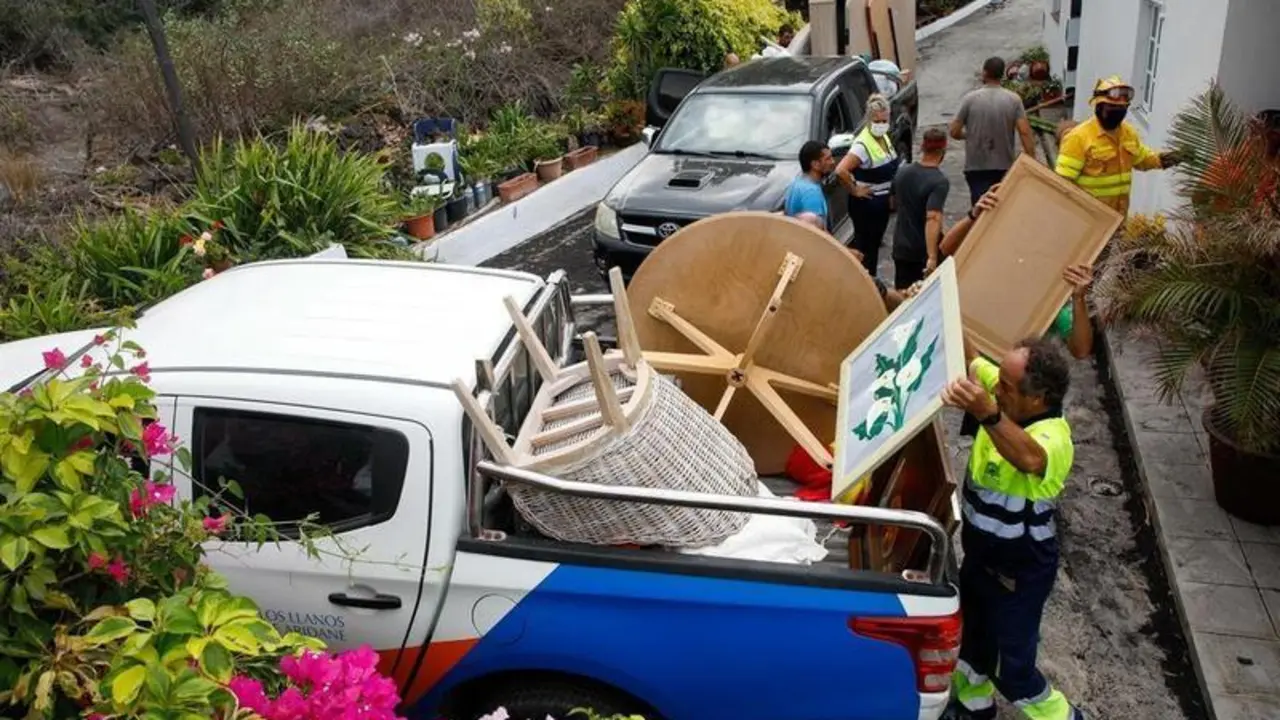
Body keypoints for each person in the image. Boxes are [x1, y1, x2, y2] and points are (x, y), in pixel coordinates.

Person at [940, 337, 1085, 720]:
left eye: (1005, 387)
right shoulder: (1007, 388)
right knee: (972, 640)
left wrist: (988, 414)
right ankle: (973, 706)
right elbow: (973, 358)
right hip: (981, 560)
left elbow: (1029, 458)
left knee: (1013, 670)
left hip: (1018, 574)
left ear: (1037, 399)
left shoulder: (1053, 437)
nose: (996, 390)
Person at [1055, 76, 1181, 216]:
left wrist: (1165, 159)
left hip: (1119, 217)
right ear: (1098, 106)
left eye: (1122, 108)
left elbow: (1142, 158)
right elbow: (1062, 183)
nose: (1117, 111)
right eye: (1112, 107)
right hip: (1088, 219)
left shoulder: (1128, 133)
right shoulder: (1078, 137)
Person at [949, 57, 1036, 207]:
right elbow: (1024, 132)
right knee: (1003, 208)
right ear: (1002, 74)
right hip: (1004, 165)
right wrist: (1032, 161)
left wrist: (968, 135)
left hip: (976, 166)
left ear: (984, 72)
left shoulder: (970, 99)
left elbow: (954, 131)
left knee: (980, 209)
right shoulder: (1014, 100)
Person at [834, 94, 902, 276]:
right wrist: (854, 190)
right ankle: (865, 281)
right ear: (869, 120)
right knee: (866, 250)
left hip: (881, 204)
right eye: (877, 121)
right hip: (867, 207)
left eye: (884, 121)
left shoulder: (883, 138)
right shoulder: (862, 145)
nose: (881, 124)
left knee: (874, 247)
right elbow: (841, 170)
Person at [891, 128, 949, 290]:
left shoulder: (902, 172)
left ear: (922, 146)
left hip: (901, 247)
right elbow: (933, 217)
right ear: (943, 150)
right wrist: (932, 256)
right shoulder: (939, 181)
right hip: (921, 251)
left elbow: (892, 203)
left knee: (903, 295)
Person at [784, 140, 835, 230]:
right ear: (815, 165)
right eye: (828, 159)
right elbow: (816, 233)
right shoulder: (811, 193)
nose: (832, 162)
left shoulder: (797, 182)